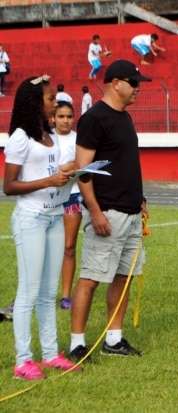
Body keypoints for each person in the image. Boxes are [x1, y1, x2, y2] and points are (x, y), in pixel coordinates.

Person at [69, 60, 151, 360]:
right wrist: (95, 211)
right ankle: (77, 343)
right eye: (133, 82)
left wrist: (139, 200)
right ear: (115, 82)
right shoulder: (94, 119)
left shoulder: (125, 118)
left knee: (124, 277)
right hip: (107, 213)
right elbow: (84, 170)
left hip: (130, 212)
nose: (138, 89)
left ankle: (113, 338)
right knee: (90, 278)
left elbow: (125, 163)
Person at [3, 75, 79, 380]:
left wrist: (66, 172)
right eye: (50, 98)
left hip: (54, 216)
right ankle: (23, 360)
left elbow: (48, 170)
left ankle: (50, 354)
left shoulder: (48, 135)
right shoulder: (21, 136)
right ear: (35, 102)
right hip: (31, 219)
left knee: (49, 292)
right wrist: (49, 180)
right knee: (29, 291)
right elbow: (9, 185)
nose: (55, 102)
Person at [53, 101, 81, 310]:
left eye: (69, 116)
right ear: (53, 118)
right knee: (43, 247)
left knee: (69, 247)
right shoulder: (45, 138)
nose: (65, 120)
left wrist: (68, 168)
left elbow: (82, 162)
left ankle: (65, 295)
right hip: (47, 198)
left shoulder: (78, 139)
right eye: (61, 116)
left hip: (72, 197)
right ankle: (36, 293)